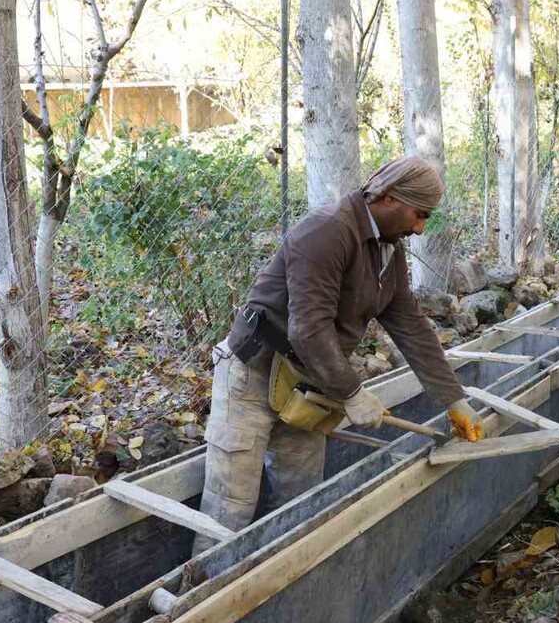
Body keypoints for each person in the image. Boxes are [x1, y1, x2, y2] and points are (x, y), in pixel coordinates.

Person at [198, 156, 486, 539]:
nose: (419, 229)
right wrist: (351, 392)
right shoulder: (326, 233)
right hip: (253, 376)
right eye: (418, 215)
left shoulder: (388, 248)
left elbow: (410, 326)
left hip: (309, 385)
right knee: (227, 514)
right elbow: (308, 329)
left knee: (299, 506)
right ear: (387, 198)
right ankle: (201, 593)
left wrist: (453, 399)